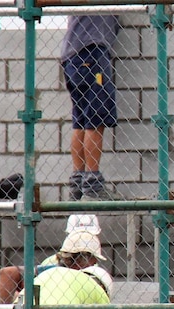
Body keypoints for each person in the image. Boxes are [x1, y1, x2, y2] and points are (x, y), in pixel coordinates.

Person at [0, 214, 104, 309]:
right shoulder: (53, 263)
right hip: (45, 308)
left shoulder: (95, 272)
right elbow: (12, 276)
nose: (82, 240)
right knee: (20, 295)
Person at [61, 15, 121, 200]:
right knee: (96, 118)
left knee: (81, 120)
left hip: (73, 55)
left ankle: (78, 181)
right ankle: (92, 183)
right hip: (90, 53)